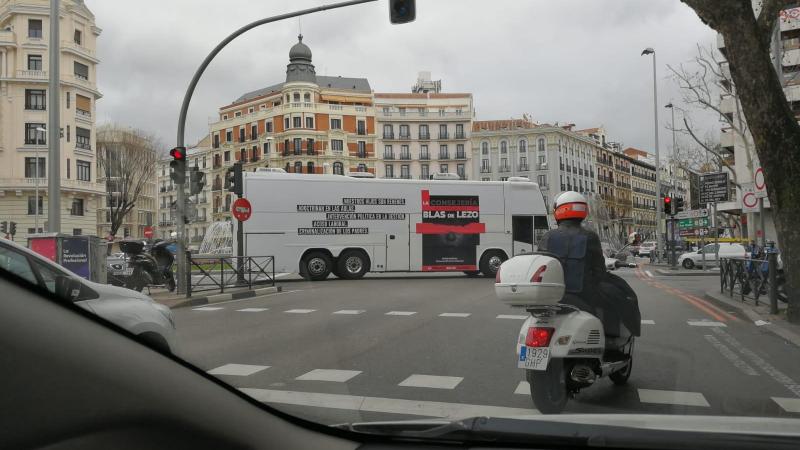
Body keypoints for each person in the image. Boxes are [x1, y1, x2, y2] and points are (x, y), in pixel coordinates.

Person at [537, 191, 641, 339]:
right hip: (584, 294)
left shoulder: (548, 236)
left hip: (553, 295)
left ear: (559, 211)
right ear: (582, 211)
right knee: (617, 301)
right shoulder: (590, 237)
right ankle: (611, 343)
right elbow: (599, 272)